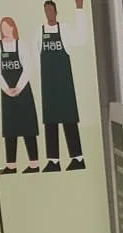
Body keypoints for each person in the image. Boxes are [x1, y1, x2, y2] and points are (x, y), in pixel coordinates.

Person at [37, 0, 86, 173]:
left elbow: (81, 39)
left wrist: (79, 10)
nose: (49, 13)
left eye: (51, 10)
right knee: (50, 121)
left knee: (69, 119)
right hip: (48, 83)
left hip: (64, 81)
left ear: (56, 12)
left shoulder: (64, 29)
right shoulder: (39, 33)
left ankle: (77, 158)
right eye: (46, 10)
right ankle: (53, 161)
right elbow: (37, 59)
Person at [0, 16, 39, 172]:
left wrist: (18, 87)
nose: (4, 30)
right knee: (10, 130)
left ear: (13, 28)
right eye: (2, 28)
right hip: (7, 93)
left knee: (28, 128)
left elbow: (28, 68)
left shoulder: (22, 45)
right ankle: (11, 165)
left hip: (23, 91)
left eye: (7, 27)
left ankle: (34, 164)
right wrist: (6, 88)